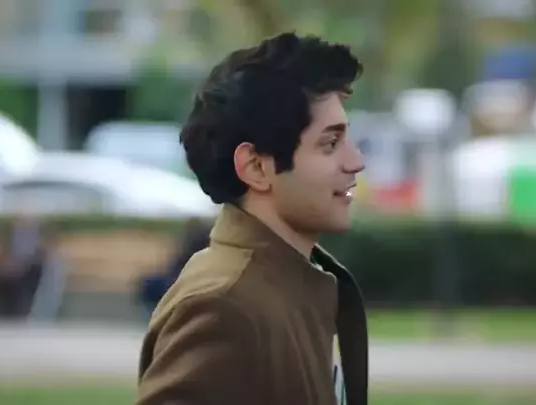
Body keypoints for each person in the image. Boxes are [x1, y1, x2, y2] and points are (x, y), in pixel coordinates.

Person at [137, 32, 369, 405]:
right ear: (256, 167)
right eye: (330, 144)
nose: (356, 161)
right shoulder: (222, 305)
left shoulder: (283, 282)